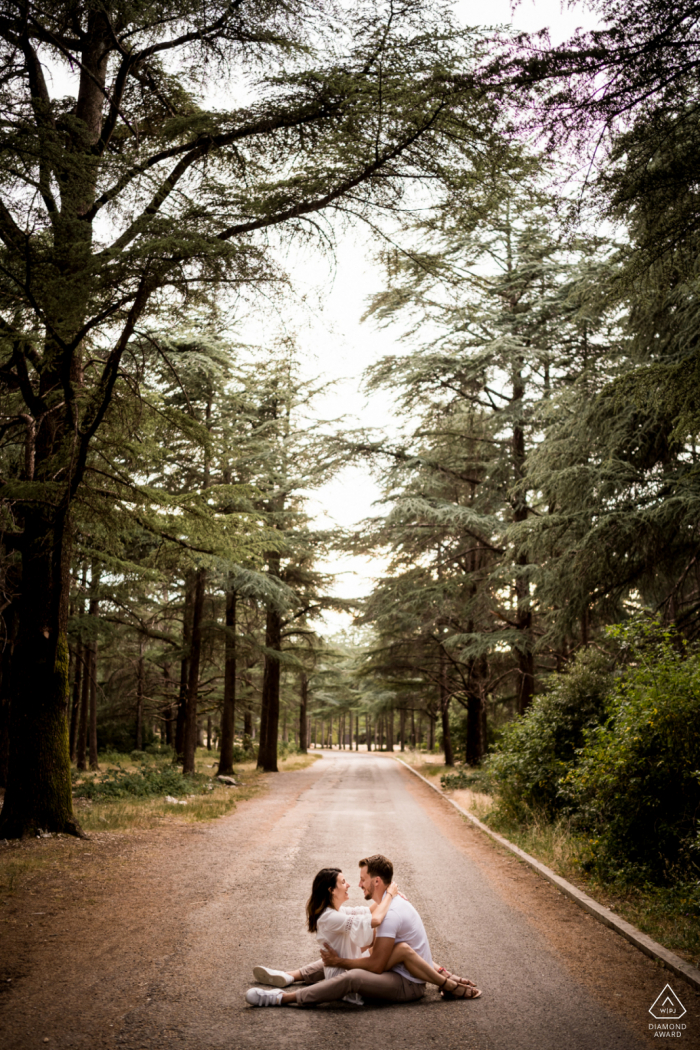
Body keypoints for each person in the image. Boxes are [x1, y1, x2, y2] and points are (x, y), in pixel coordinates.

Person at [245, 854, 481, 1007]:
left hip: (407, 983)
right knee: (345, 956)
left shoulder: (389, 913)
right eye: (350, 880)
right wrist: (389, 895)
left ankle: (283, 998)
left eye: (362, 879)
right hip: (400, 968)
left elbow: (377, 964)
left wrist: (340, 962)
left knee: (352, 973)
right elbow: (366, 913)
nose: (357, 884)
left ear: (376, 882)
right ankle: (291, 976)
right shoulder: (386, 905)